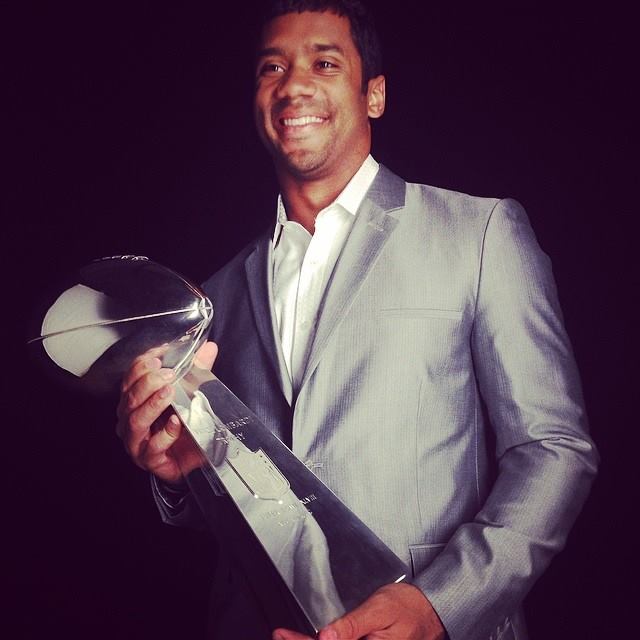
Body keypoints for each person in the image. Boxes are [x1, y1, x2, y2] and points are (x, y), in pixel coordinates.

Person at [116, 2, 598, 638]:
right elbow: (241, 501)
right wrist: (179, 480)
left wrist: (439, 606)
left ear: (374, 94)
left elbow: (553, 450)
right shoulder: (215, 297)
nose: (293, 85)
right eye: (272, 68)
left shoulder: (479, 235)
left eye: (324, 63)